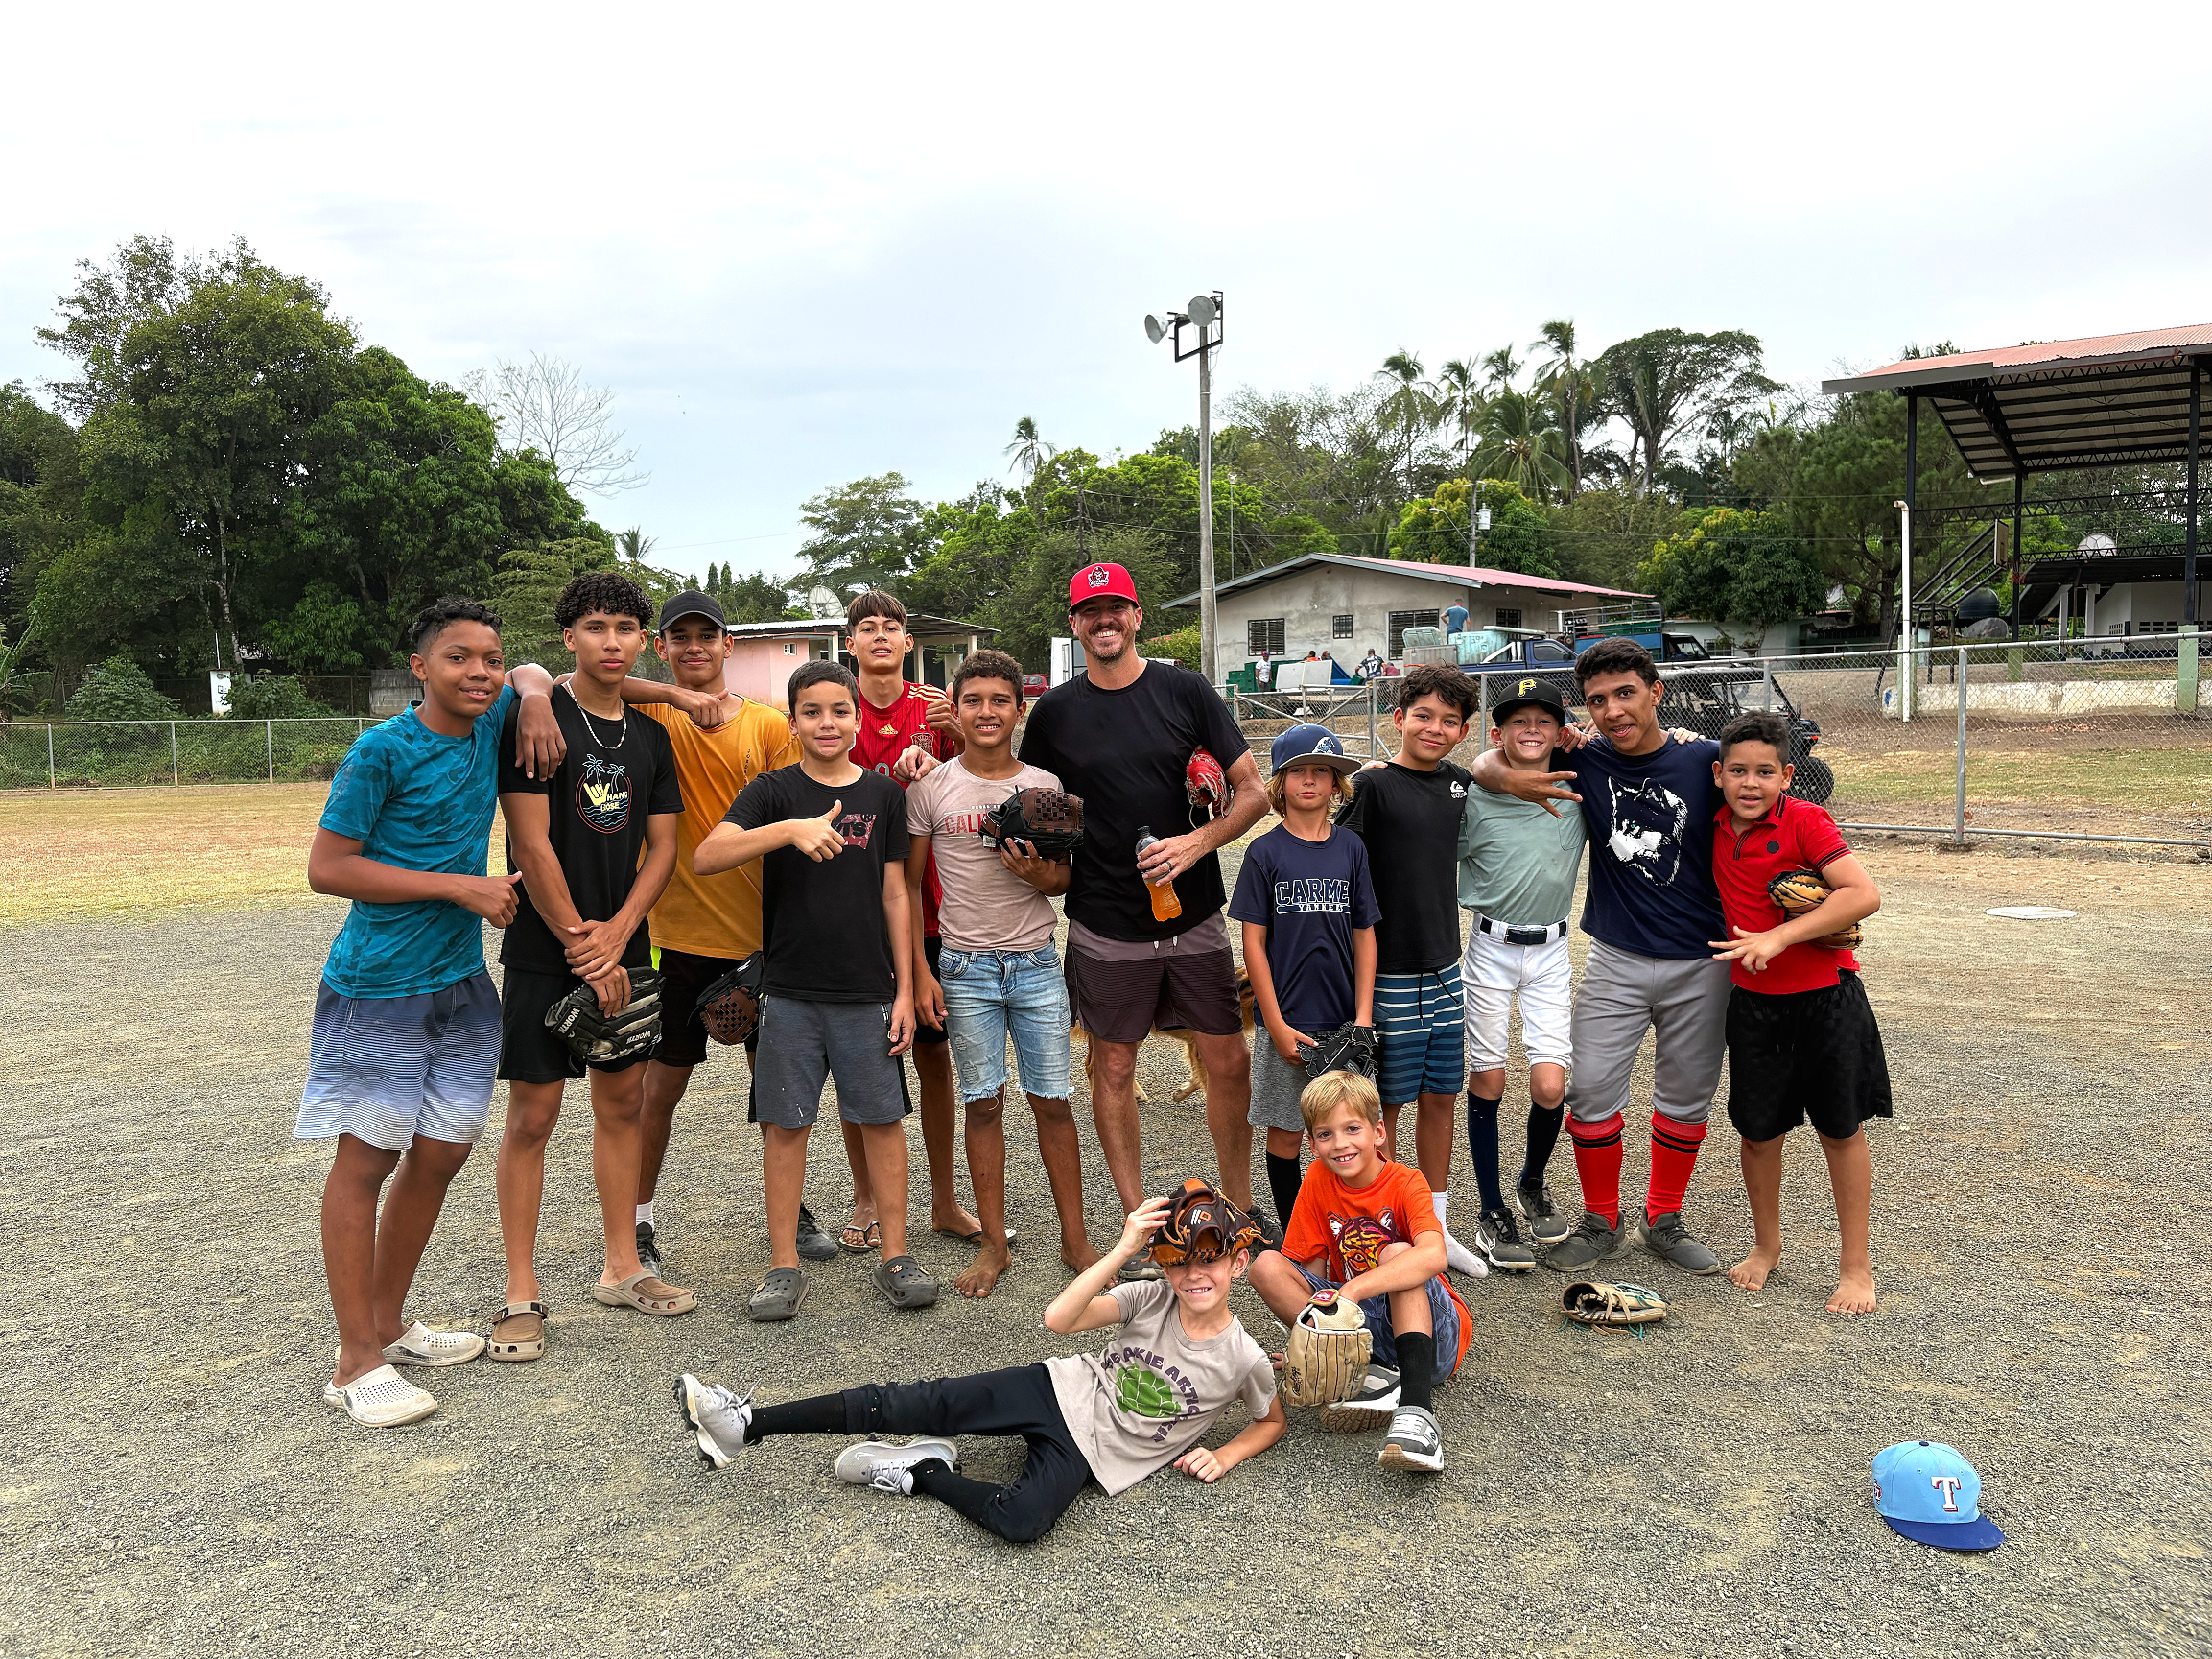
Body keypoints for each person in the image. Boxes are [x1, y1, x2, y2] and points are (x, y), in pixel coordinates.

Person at [672, 1181, 1283, 1542]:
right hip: (1055, 1390)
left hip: (1093, 1455)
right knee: (910, 1401)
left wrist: (1225, 1453)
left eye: (1210, 1261)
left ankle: (920, 1472)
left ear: (1237, 1265)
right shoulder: (1151, 1295)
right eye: (1179, 1262)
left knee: (1024, 1522)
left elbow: (1271, 1419)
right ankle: (747, 1422)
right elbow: (1058, 1320)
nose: (1193, 1275)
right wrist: (1126, 1248)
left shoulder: (1246, 1358)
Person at [299, 600, 564, 1425]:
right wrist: (459, 886)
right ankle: (354, 1362)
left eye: (489, 657)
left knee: (443, 1153)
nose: (479, 671)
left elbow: (533, 674)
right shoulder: (381, 749)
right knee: (366, 1161)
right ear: (419, 667)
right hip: (379, 984)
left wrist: (534, 689)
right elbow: (327, 867)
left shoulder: (492, 726)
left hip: (461, 984)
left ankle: (388, 1322)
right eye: (458, 658)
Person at [1018, 562, 1269, 1238]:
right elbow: (1031, 802)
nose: (1105, 619)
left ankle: (1240, 1206)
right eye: (1090, 610)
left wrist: (1196, 843)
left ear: (1137, 616)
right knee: (1114, 1062)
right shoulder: (1056, 712)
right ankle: (1138, 1222)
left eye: (1116, 607)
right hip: (1104, 919)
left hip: (1191, 915)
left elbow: (1254, 791)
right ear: (1074, 624)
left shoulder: (1185, 691)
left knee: (1227, 1058)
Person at [1471, 637, 1731, 1275]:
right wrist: (1504, 774)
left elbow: (1766, 796)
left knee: (1686, 1094)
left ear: (1656, 692)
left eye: (1626, 694)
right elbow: (1484, 760)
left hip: (1703, 958)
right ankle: (1601, 1217)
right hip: (1616, 954)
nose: (1613, 710)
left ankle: (1664, 1218)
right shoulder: (1583, 759)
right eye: (1597, 699)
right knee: (1588, 1090)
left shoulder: (1706, 762)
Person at [615, 590, 842, 1276]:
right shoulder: (649, 711)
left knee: (777, 1086)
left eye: (705, 636)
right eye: (678, 637)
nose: (693, 647)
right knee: (660, 1090)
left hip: (760, 937)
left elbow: (797, 808)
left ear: (728, 645)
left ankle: (790, 1210)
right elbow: (571, 681)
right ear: (662, 648)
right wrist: (677, 700)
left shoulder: (770, 725)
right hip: (674, 934)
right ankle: (638, 1220)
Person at [696, 659, 932, 1319]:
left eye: (839, 710)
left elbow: (897, 892)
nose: (827, 722)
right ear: (793, 719)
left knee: (883, 1121)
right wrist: (790, 831)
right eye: (812, 711)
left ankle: (897, 1253)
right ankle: (782, 1265)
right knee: (785, 1124)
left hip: (868, 992)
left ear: (859, 717)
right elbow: (708, 854)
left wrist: (907, 990)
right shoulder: (772, 791)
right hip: (790, 993)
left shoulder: (885, 796)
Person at [491, 573, 688, 1363]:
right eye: (596, 626)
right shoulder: (535, 716)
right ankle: (519, 1291)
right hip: (548, 948)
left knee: (622, 1106)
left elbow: (664, 845)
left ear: (644, 641)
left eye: (626, 628)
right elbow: (531, 842)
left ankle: (621, 1266)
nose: (613, 641)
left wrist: (621, 934)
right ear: (568, 634)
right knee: (533, 1116)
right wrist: (581, 942)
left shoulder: (650, 735)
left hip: (624, 943)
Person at [906, 648, 1095, 1294]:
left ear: (1020, 709)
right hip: (962, 966)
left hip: (1036, 961)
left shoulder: (1044, 786)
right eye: (973, 700)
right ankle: (994, 1244)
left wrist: (1040, 874)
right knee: (982, 1103)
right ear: (953, 711)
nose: (986, 711)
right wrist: (921, 973)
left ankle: (1076, 1238)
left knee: (1053, 1101)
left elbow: (1066, 880)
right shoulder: (931, 788)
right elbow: (907, 888)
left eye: (999, 700)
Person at [1706, 711, 1889, 1314]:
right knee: (1757, 1134)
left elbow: (1864, 894)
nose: (1751, 784)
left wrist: (1780, 936)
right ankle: (1766, 1247)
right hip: (1755, 1005)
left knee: (1840, 1130)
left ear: (1788, 775)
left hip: (1826, 999)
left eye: (1765, 772)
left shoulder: (1807, 820)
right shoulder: (1711, 825)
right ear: (1718, 775)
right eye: (1738, 771)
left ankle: (1855, 1267)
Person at [839, 591, 985, 1260]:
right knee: (859, 1054)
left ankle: (944, 1198)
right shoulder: (834, 704)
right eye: (866, 626)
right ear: (849, 643)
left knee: (933, 1052)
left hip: (931, 905)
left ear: (906, 640)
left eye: (891, 626)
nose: (879, 636)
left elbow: (990, 768)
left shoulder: (936, 707)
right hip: (853, 905)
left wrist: (953, 741)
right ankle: (866, 1196)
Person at [1334, 661, 1487, 1278]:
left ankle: (1436, 1227)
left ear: (1463, 732)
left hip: (1446, 965)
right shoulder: (1372, 786)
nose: (1435, 728)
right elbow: (1337, 861)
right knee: (1386, 1106)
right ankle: (1382, 1227)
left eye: (1449, 721)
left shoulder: (1460, 784)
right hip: (1387, 970)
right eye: (1423, 715)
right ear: (1397, 719)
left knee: (1441, 1095)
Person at [1247, 1071, 1469, 1473]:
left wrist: (1352, 1290)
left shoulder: (1407, 1182)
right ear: (1312, 1144)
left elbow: (1435, 1256)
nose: (1340, 1144)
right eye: (1325, 1134)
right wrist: (1310, 1339)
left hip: (1434, 1340)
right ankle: (1362, 1371)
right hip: (1364, 1329)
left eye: (1352, 1129)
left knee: (1401, 1255)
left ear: (1378, 1131)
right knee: (1265, 1265)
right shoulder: (1317, 1178)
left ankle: (1417, 1413)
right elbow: (1308, 1272)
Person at [1455, 679, 1588, 1268]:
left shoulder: (1577, 783)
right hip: (1491, 945)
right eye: (1516, 721)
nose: (1530, 730)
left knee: (1550, 1084)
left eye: (1543, 720)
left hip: (1552, 948)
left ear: (1561, 732)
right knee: (1488, 1078)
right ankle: (1489, 1208)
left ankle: (1531, 1181)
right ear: (1495, 732)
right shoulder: (1473, 795)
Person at [1228, 723, 1377, 1239]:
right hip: (1290, 1020)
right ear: (1279, 782)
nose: (1310, 781)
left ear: (1338, 784)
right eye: (1298, 772)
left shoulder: (1351, 849)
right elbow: (1253, 945)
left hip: (1343, 1021)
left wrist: (1362, 1017)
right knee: (1286, 1132)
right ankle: (1299, 1234)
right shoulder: (1265, 853)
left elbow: (1364, 935)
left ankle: (1351, 1229)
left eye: (1323, 771)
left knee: (1349, 1130)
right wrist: (1274, 1022)